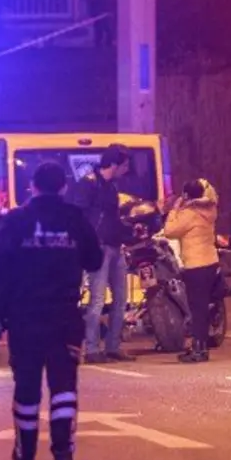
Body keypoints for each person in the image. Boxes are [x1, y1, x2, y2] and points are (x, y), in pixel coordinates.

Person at [0, 162, 103, 460]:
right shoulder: (75, 219)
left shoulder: (16, 220)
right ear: (63, 187)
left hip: (24, 316)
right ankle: (64, 454)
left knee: (27, 388)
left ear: (32, 186)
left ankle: (26, 455)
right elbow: (94, 259)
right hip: (64, 315)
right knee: (64, 388)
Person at [66, 143, 134, 364]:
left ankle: (113, 345)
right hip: (99, 248)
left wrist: (127, 233)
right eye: (124, 165)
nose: (126, 169)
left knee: (121, 298)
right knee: (97, 300)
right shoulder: (88, 184)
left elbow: (112, 218)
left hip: (115, 246)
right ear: (113, 164)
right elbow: (79, 217)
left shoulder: (112, 187)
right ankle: (93, 349)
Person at [161, 178, 221, 363]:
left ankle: (199, 349)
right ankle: (199, 346)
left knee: (197, 309)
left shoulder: (189, 213)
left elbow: (170, 231)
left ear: (186, 195)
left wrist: (174, 210)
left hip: (196, 266)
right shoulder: (210, 209)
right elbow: (211, 194)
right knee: (202, 308)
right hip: (211, 263)